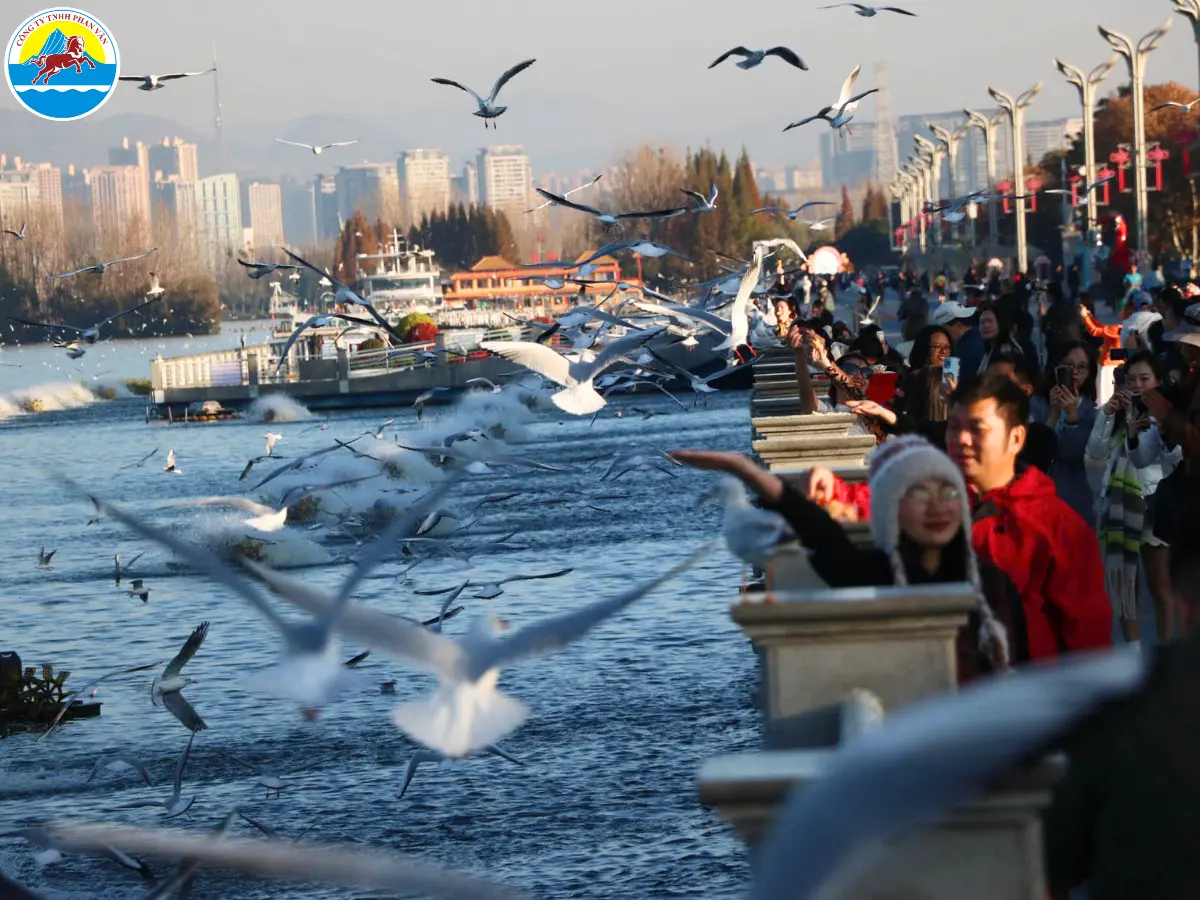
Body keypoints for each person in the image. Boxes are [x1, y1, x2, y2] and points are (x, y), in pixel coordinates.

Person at [809, 374, 1113, 661]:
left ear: (1016, 438)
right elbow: (881, 499)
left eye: (977, 429)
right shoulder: (943, 498)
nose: (961, 440)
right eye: (954, 427)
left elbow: (1087, 646)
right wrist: (832, 490)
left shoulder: (1060, 529)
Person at [672, 437, 1016, 679]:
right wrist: (747, 471)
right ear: (890, 509)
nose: (936, 506)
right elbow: (823, 536)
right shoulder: (875, 574)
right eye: (919, 494)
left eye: (949, 492)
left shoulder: (993, 583)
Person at [1087, 352, 1179, 645]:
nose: (1138, 385)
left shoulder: (1168, 415)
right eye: (1132, 379)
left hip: (1153, 502)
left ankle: (1166, 656)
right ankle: (1133, 656)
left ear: (1158, 381)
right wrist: (1108, 414)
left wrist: (1153, 427)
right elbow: (1097, 451)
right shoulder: (1116, 412)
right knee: (1126, 586)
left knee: (1160, 585)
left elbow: (1171, 461)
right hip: (1118, 502)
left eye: (1145, 379)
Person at [1033, 341, 1099, 527]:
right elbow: (1035, 454)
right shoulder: (1037, 404)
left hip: (1074, 503)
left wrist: (1071, 417)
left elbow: (1071, 453)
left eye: (1082, 367)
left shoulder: (1090, 412)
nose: (1075, 372)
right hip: (1038, 500)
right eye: (1068, 366)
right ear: (1056, 366)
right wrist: (1054, 412)